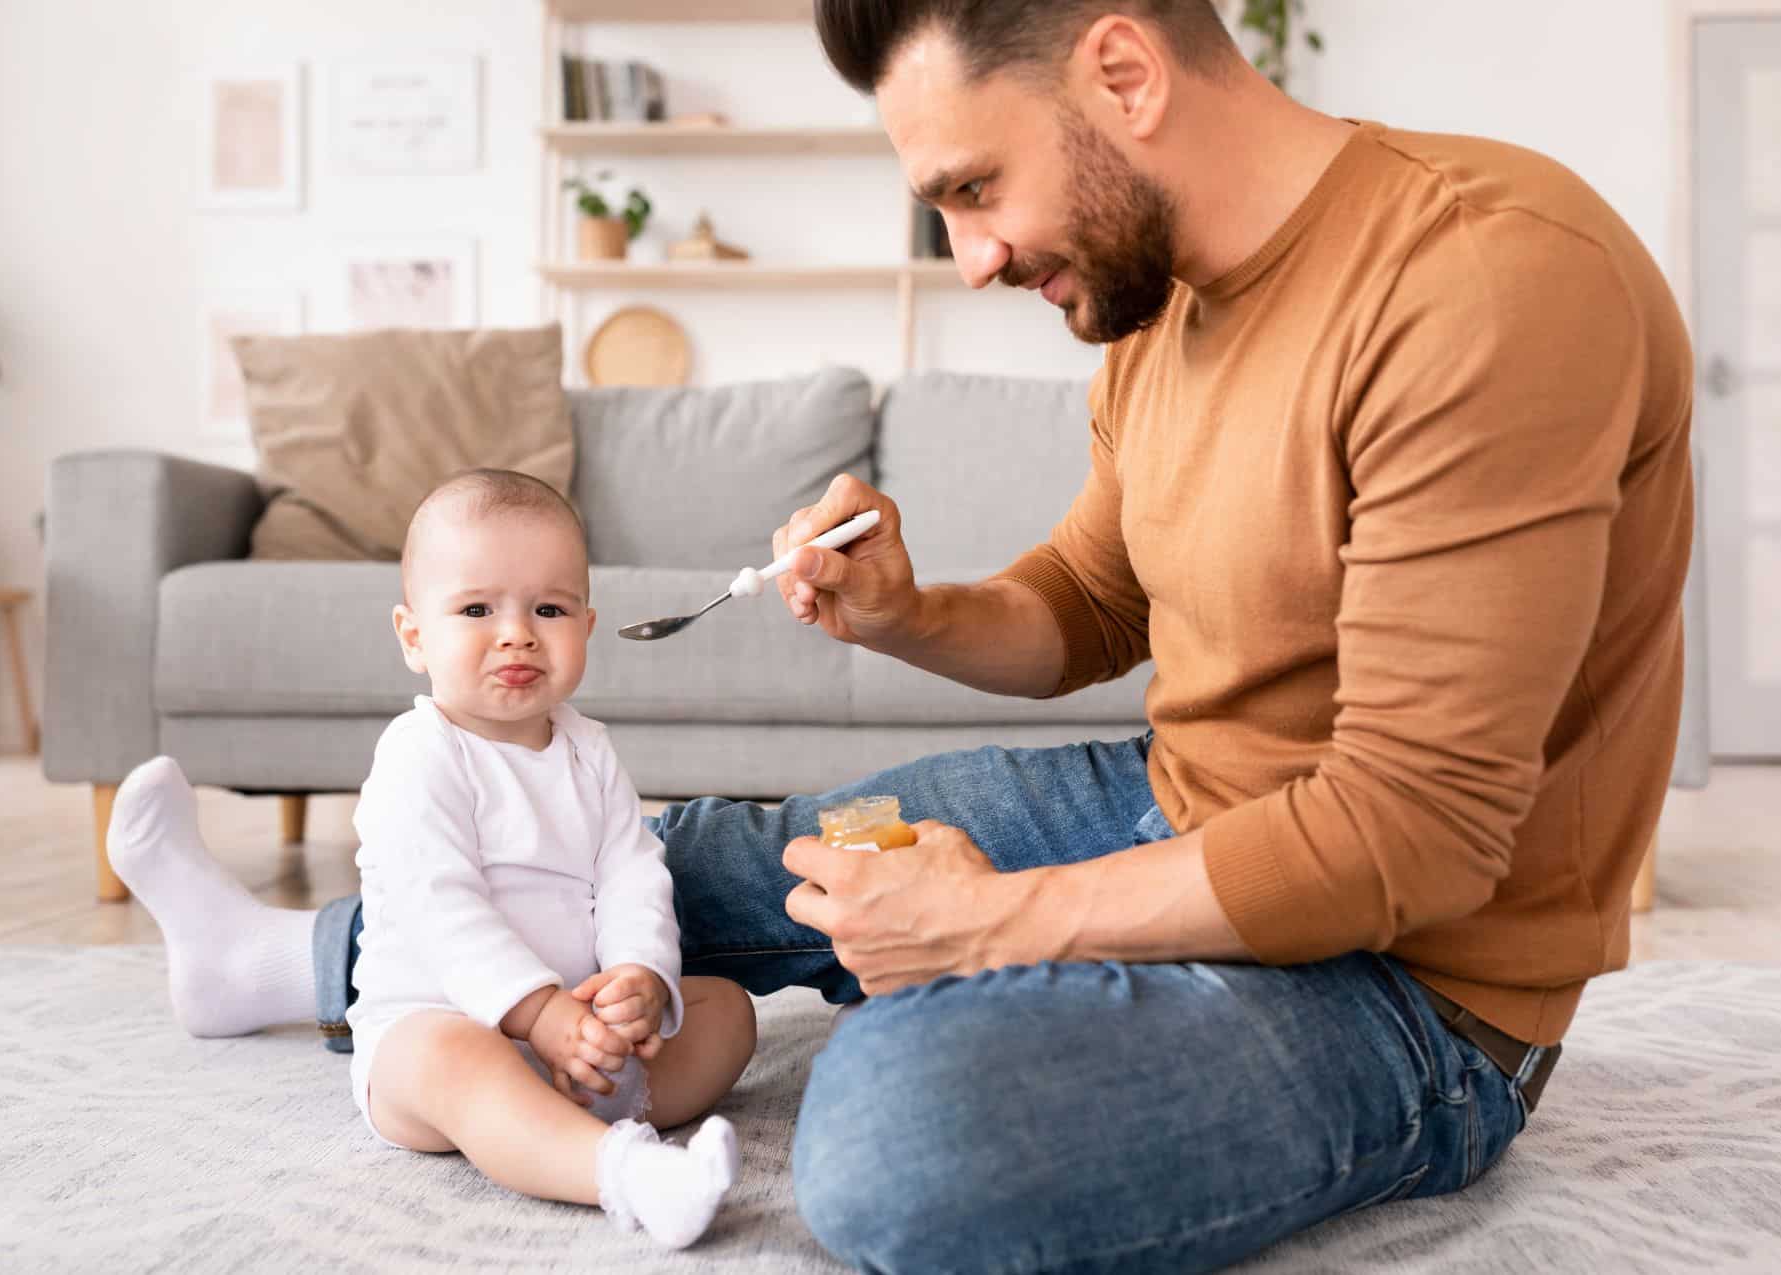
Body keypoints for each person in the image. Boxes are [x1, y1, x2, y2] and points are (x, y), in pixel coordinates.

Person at [110, 2, 1695, 1270]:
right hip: (1177, 806)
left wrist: (1000, 925)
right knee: (673, 860)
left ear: (1123, 72)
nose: (973, 257)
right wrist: (909, 612)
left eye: (973, 188)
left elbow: (1414, 828)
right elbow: (1092, 603)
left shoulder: (1485, 279)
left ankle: (973, 1015)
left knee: (899, 1135)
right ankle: (278, 962)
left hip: (1414, 986)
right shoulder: (1166, 312)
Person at [110, 470, 756, 1251]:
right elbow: (443, 911)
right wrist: (539, 1014)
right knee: (453, 1055)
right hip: (440, 1025)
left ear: (586, 626)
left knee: (726, 1012)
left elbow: (632, 871)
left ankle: (550, 1119)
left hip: (575, 1030)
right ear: (414, 636)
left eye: (549, 610)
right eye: (478, 609)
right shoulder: (420, 753)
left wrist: (637, 977)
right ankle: (627, 1173)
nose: (517, 634)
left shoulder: (589, 750)